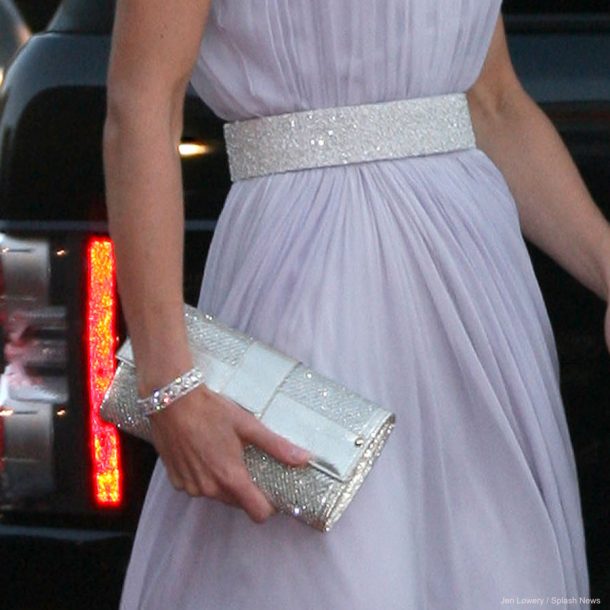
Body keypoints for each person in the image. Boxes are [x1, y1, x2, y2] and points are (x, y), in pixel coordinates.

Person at [102, 0, 608, 608]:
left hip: (480, 309)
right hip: (308, 282)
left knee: (497, 563)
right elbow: (142, 105)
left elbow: (492, 101)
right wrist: (168, 385)